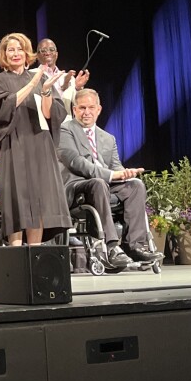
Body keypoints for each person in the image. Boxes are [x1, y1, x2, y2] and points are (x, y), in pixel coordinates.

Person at [0, 32, 72, 245]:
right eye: (11, 50)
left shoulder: (41, 78)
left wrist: (46, 91)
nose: (16, 54)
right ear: (3, 54)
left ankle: (34, 250)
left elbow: (52, 115)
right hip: (14, 143)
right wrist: (33, 83)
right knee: (18, 197)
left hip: (39, 143)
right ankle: (15, 250)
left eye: (20, 49)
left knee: (39, 200)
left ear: (27, 52)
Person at [58, 88, 163, 266]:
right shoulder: (64, 130)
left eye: (91, 108)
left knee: (135, 185)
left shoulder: (108, 138)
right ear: (74, 109)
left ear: (99, 109)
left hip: (103, 185)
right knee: (98, 183)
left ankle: (135, 246)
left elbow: (116, 167)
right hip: (76, 187)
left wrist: (125, 174)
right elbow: (77, 163)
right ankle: (111, 246)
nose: (87, 112)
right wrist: (113, 174)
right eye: (82, 108)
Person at [36, 38, 89, 119]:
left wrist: (78, 88)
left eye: (51, 49)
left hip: (65, 126)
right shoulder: (32, 75)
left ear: (56, 54)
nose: (47, 53)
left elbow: (78, 104)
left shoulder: (68, 77)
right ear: (37, 56)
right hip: (42, 125)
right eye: (43, 50)